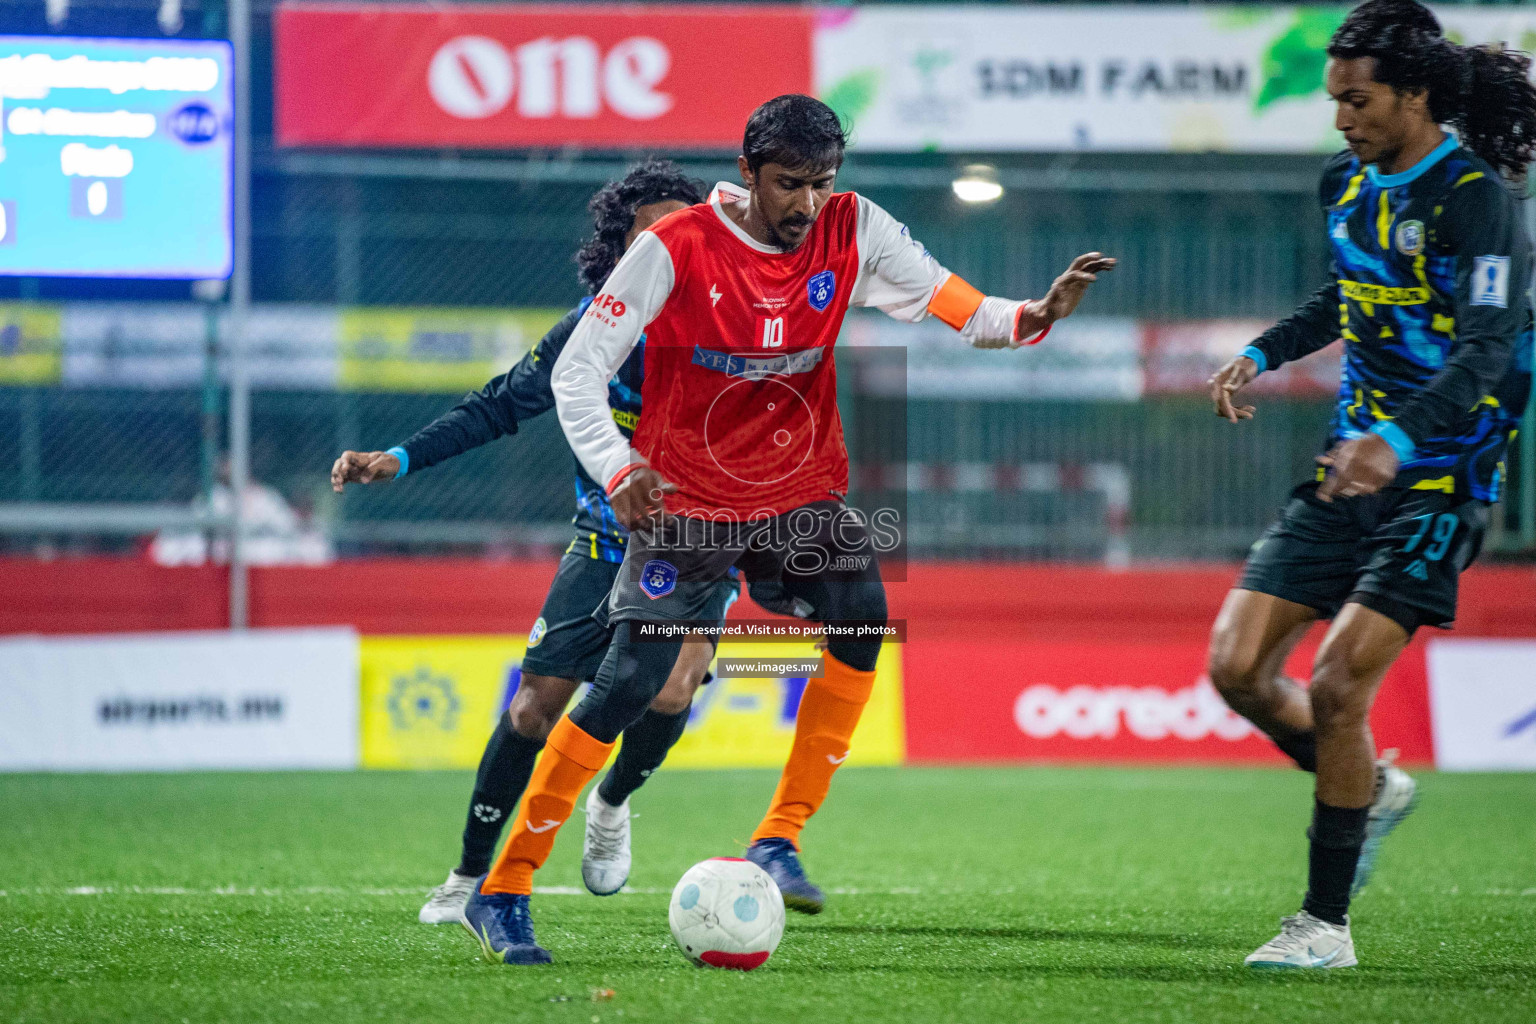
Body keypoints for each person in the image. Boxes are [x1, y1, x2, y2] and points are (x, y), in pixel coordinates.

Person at [461, 93, 1115, 965]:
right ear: (747, 174)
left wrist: (1035, 314)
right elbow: (578, 374)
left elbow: (965, 309)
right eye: (788, 184)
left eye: (821, 182)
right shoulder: (675, 247)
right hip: (687, 505)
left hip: (795, 490)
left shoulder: (855, 229)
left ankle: (779, 835)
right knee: (628, 685)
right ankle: (503, 891)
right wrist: (620, 472)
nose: (805, 203)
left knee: (863, 609)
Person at [1204, 0, 1535, 969]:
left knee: (1340, 680)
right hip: (1348, 469)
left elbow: (1484, 351)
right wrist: (1262, 351)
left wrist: (1395, 437)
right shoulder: (1343, 185)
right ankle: (1371, 787)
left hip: (1441, 476)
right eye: (1335, 101)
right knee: (1235, 669)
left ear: (1417, 96)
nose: (1342, 119)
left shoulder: (1477, 201)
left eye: (1359, 101)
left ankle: (1323, 925)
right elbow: (1345, 296)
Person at [330, 160, 739, 922]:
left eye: (686, 230)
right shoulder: (590, 331)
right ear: (621, 249)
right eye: (650, 230)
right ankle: (466, 876)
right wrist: (400, 457)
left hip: (696, 545)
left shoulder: (733, 336)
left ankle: (611, 804)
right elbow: (499, 406)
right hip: (604, 541)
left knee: (677, 683)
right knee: (532, 710)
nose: (669, 244)